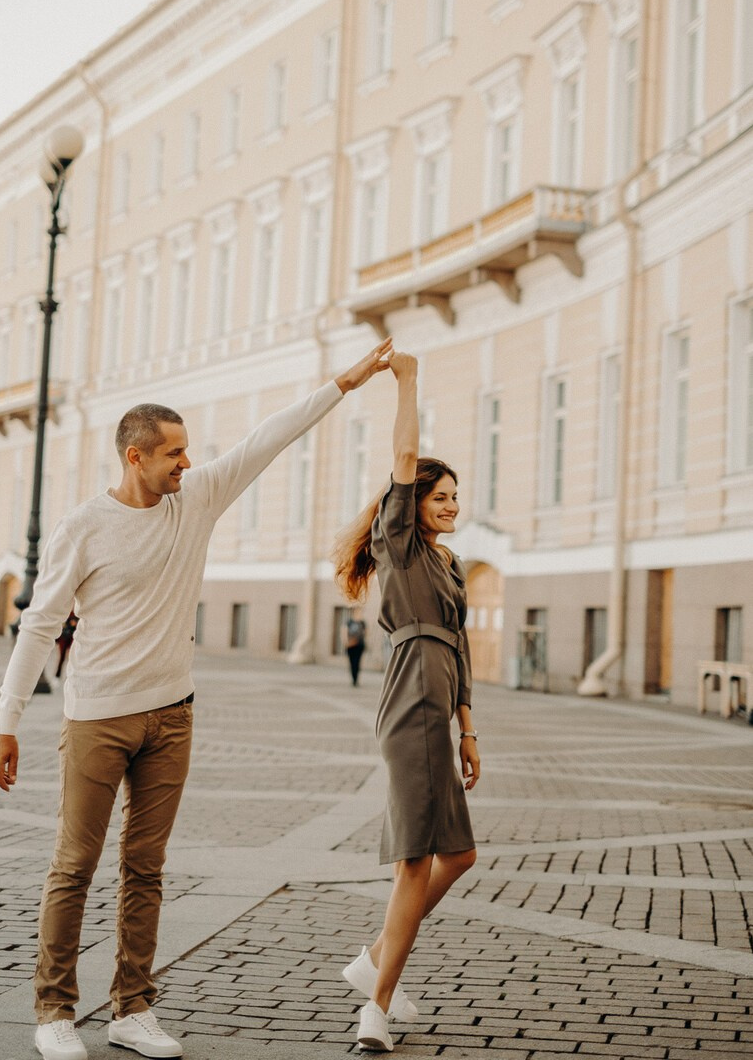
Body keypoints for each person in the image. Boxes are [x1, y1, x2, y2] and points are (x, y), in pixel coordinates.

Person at [0, 338, 392, 1060]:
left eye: (187, 450)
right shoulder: (85, 526)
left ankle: (131, 1009)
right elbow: (40, 624)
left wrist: (345, 383)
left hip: (172, 715)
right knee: (74, 865)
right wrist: (5, 722)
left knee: (145, 868)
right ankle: (53, 1010)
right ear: (134, 457)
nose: (187, 462)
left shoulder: (196, 497)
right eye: (173, 452)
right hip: (97, 718)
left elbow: (268, 438)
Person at [333, 351, 480, 1053]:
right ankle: (376, 1009)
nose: (451, 506)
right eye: (440, 496)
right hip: (409, 701)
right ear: (412, 504)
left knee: (459, 855)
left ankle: (373, 963)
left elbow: (461, 645)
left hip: (440, 702)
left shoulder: (451, 565)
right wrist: (408, 380)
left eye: (455, 497)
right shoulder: (399, 546)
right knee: (417, 863)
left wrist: (470, 729)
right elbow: (405, 449)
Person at [344, 607, 367, 686]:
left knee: (357, 662)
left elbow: (366, 632)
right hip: (351, 645)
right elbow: (344, 632)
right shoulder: (349, 622)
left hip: (359, 645)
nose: (359, 614)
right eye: (358, 612)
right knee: (352, 662)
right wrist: (346, 642)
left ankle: (355, 679)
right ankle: (353, 677)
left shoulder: (362, 622)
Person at [53, 610, 78, 683]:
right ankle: (57, 675)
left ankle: (70, 676)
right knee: (62, 657)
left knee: (73, 656)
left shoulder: (78, 611)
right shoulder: (67, 611)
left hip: (73, 637)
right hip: (64, 637)